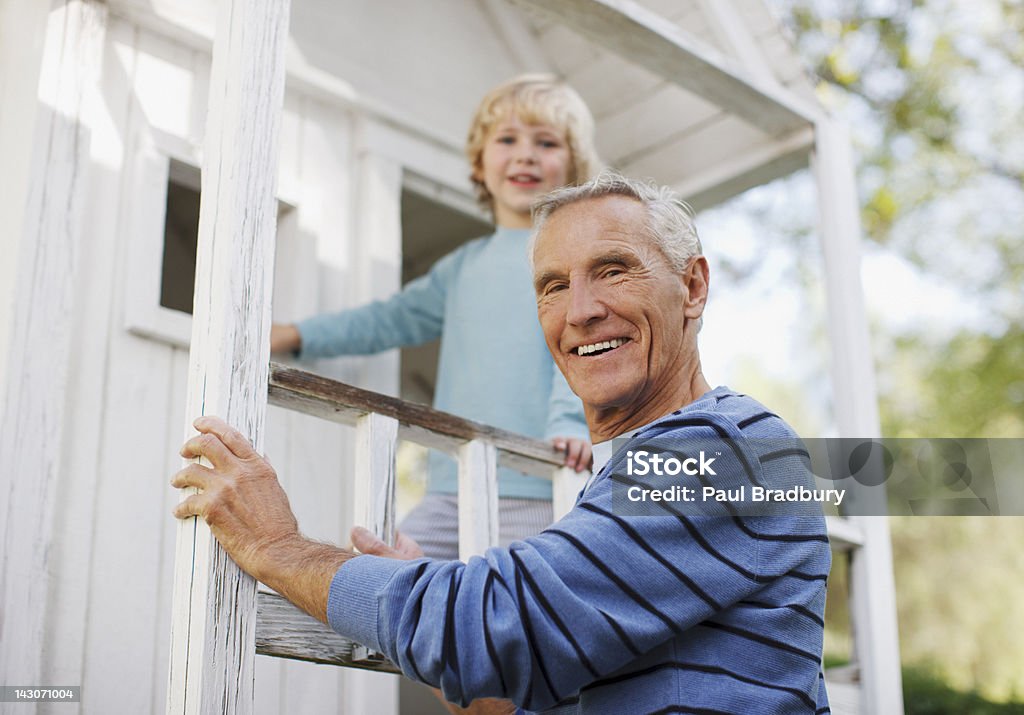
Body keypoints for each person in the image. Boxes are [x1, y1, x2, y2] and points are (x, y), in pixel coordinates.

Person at [173, 172, 832, 713]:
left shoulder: (724, 448)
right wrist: (423, 601)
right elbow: (515, 686)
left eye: (613, 270)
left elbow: (487, 628)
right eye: (553, 286)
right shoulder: (628, 488)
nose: (579, 310)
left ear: (692, 286)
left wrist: (276, 546)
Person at [269, 74, 600, 559]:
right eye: (508, 139)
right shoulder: (462, 267)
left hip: (542, 480)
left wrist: (573, 421)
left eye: (546, 142)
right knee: (383, 567)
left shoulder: (572, 250)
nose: (526, 154)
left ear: (573, 164)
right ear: (479, 163)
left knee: (514, 612)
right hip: (451, 486)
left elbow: (583, 337)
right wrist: (297, 334)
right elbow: (387, 320)